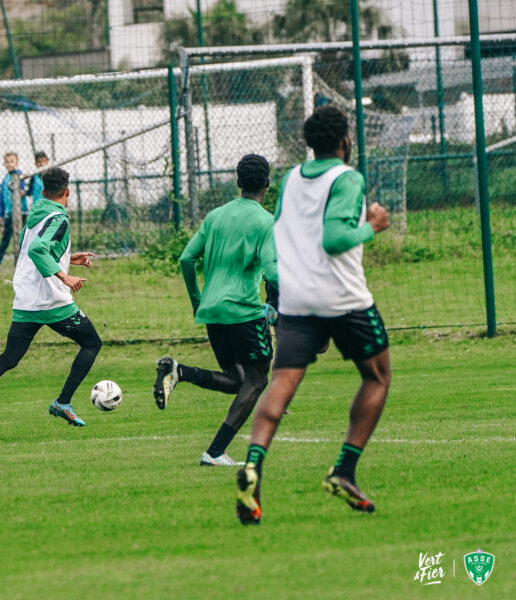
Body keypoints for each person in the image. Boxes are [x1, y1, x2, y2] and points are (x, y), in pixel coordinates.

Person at [236, 106, 391, 525]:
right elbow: (337, 237)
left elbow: (286, 231)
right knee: (377, 376)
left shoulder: (291, 179)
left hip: (298, 297)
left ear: (309, 143)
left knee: (283, 382)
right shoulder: (348, 177)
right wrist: (373, 226)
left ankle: (252, 466)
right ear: (344, 141)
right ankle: (344, 470)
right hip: (342, 296)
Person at [154, 154, 278, 467]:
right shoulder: (266, 222)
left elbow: (186, 259)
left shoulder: (215, 216)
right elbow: (274, 274)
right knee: (258, 379)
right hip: (244, 311)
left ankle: (179, 371)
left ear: (238, 182)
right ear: (267, 184)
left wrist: (198, 299)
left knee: (237, 381)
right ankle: (215, 451)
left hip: (212, 311)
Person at [0, 166, 101, 428]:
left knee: (10, 358)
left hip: (27, 299)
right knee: (92, 343)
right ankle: (63, 401)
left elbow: (34, 250)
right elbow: (39, 249)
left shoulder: (37, 213)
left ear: (43, 191)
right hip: (52, 300)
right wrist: (65, 277)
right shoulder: (59, 219)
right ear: (68, 191)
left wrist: (68, 258)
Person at [0, 151, 26, 264]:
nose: (9, 164)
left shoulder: (19, 175)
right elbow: (2, 198)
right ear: (4, 164)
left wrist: (21, 191)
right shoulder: (5, 179)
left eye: (12, 161)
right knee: (6, 236)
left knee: (23, 237)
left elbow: (22, 188)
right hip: (9, 213)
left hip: (21, 212)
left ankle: (23, 259)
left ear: (17, 163)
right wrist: (1, 215)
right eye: (7, 162)